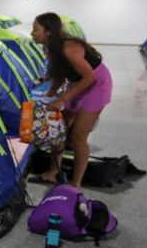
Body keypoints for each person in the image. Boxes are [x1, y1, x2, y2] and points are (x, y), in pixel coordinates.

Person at [30, 12, 112, 189]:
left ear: (49, 32)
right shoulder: (51, 48)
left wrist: (62, 99)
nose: (32, 33)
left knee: (78, 138)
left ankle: (75, 184)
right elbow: (59, 71)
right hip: (77, 83)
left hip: (96, 85)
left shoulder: (69, 48)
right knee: (59, 130)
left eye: (36, 30)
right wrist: (49, 93)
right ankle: (53, 172)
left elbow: (89, 77)